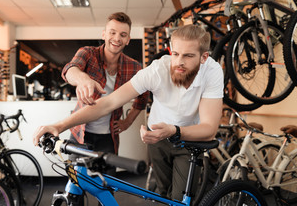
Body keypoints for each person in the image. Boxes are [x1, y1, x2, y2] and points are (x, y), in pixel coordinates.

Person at [33, 24, 223, 201]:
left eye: (188, 56)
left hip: (188, 139)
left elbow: (209, 128)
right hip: (157, 138)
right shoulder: (156, 70)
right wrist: (59, 125)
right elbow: (107, 103)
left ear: (204, 57)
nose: (179, 62)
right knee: (163, 195)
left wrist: (174, 130)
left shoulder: (212, 72)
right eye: (175, 54)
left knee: (181, 199)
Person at [48, 11, 148, 157]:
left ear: (128, 40)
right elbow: (69, 70)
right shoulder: (88, 53)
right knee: (78, 179)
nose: (116, 38)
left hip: (109, 138)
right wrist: (83, 80)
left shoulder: (134, 67)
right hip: (80, 132)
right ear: (104, 35)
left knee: (106, 179)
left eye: (123, 35)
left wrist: (128, 121)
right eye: (112, 33)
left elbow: (143, 97)